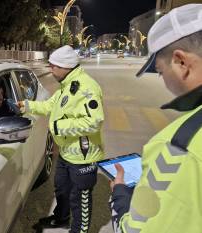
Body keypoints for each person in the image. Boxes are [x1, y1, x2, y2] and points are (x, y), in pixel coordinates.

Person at [109, 4, 202, 233]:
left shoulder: (180, 148)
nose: (164, 81)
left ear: (181, 62)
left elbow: (134, 229)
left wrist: (119, 195)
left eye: (160, 72)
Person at [18, 45, 105, 232]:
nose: (50, 70)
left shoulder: (87, 88)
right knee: (62, 190)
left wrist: (58, 127)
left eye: (53, 66)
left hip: (83, 157)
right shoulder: (66, 86)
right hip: (66, 153)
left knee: (80, 199)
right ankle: (61, 218)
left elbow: (94, 122)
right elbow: (50, 106)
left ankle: (78, 229)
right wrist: (25, 106)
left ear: (66, 67)